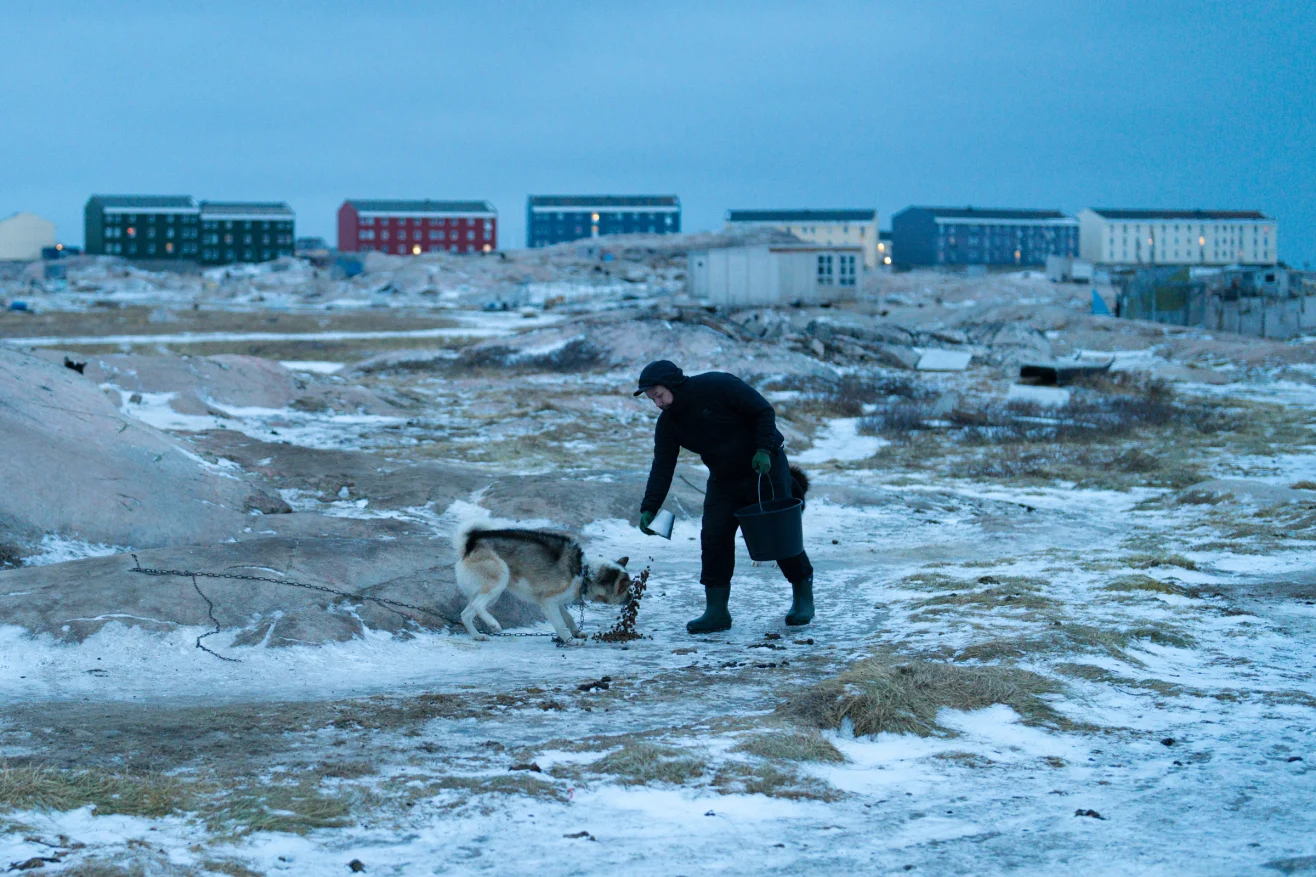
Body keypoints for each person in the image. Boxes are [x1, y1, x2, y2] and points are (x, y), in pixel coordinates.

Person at [634, 360, 813, 633]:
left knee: (777, 534)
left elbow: (763, 411)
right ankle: (716, 611)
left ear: (672, 385)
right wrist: (649, 507)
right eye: (652, 399)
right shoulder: (669, 423)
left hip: (764, 468)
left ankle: (803, 595)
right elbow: (662, 466)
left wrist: (763, 449)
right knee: (714, 537)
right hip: (724, 479)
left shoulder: (718, 385)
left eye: (658, 395)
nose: (657, 403)